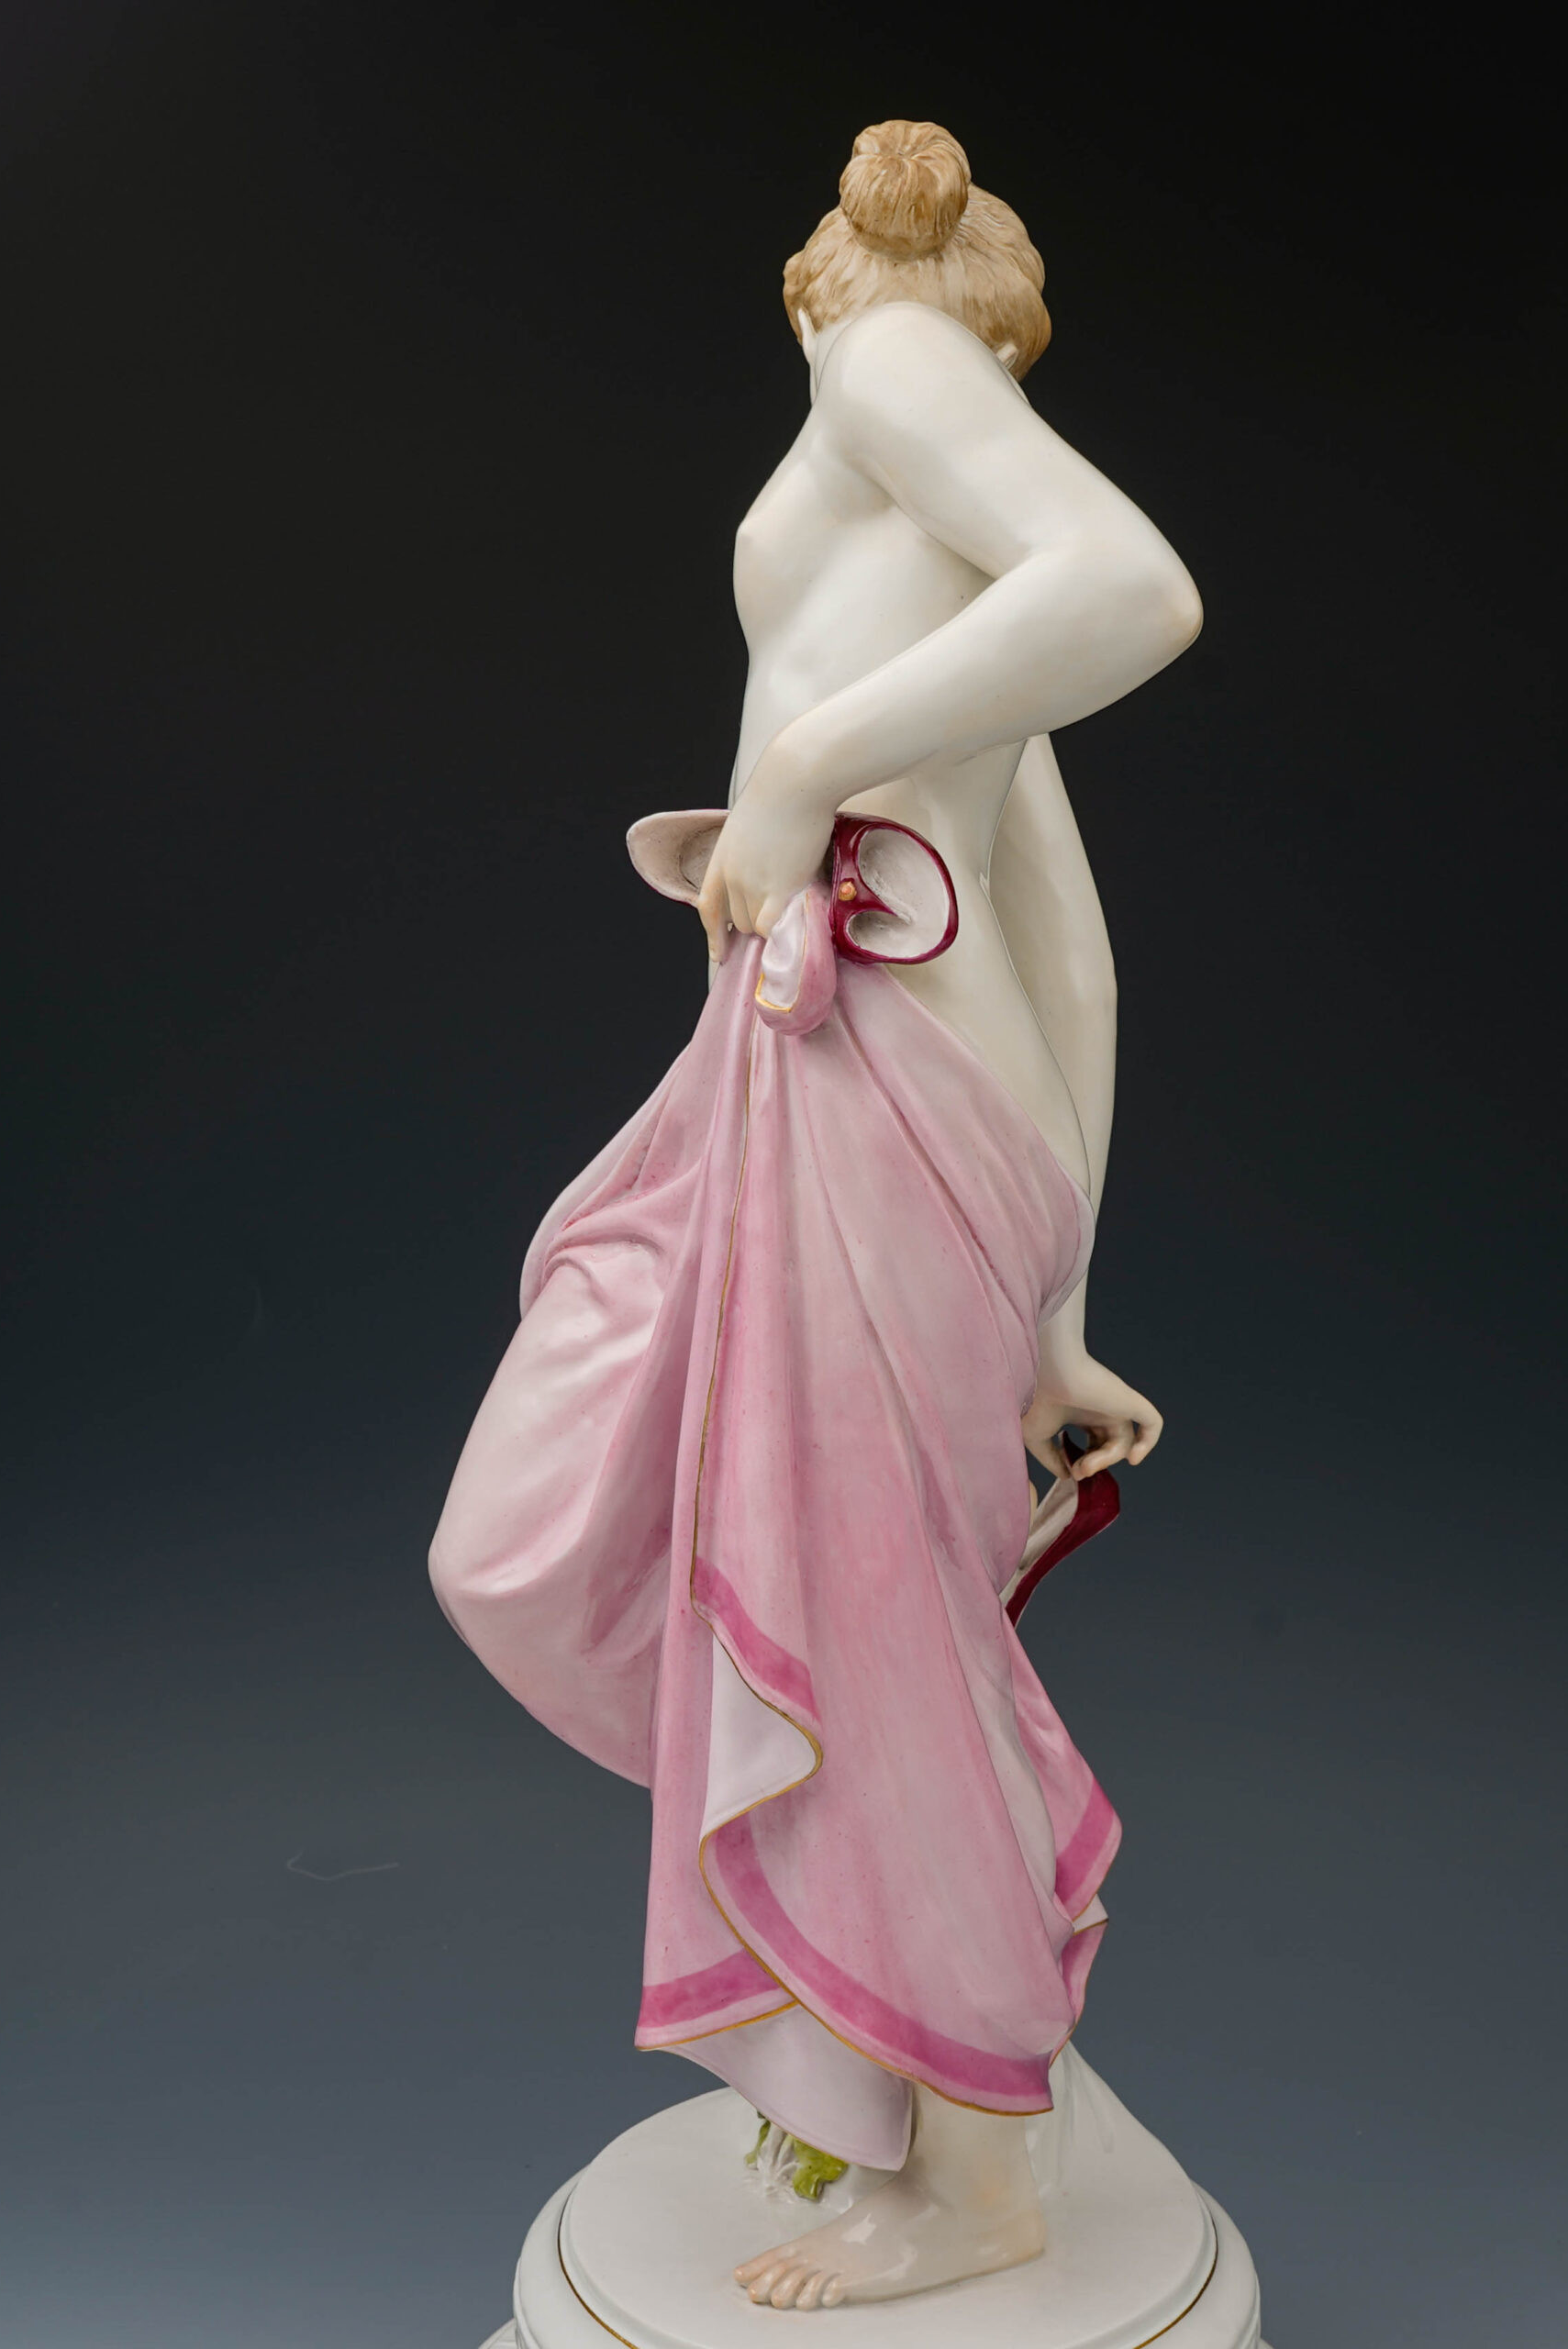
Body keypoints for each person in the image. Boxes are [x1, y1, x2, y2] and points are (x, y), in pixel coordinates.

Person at [429, 118, 1201, 2310]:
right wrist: (1058, 1309)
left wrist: (790, 770)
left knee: (871, 1640)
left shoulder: (884, 363)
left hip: (885, 1090)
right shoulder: (947, 587)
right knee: (734, 1581)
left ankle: (973, 2173)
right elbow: (1076, 957)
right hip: (867, 1087)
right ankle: (894, 2043)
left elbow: (1137, 585)